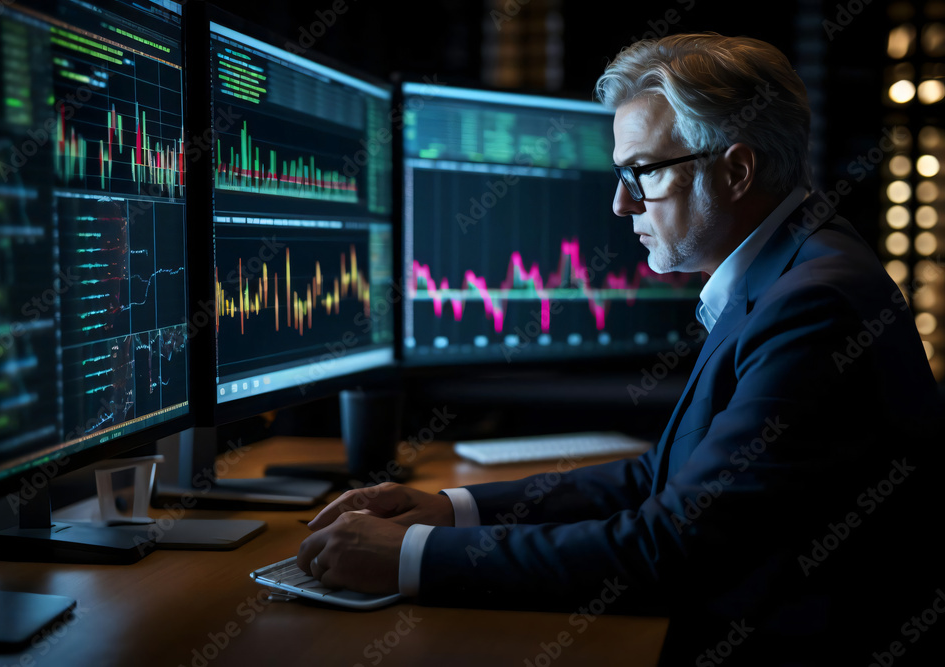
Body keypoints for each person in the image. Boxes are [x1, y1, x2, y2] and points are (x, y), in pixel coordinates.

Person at [298, 33, 942, 663]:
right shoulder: (793, 266)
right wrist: (449, 509)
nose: (619, 202)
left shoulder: (812, 305)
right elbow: (660, 477)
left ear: (738, 170)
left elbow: (672, 548)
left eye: (641, 172)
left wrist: (409, 557)